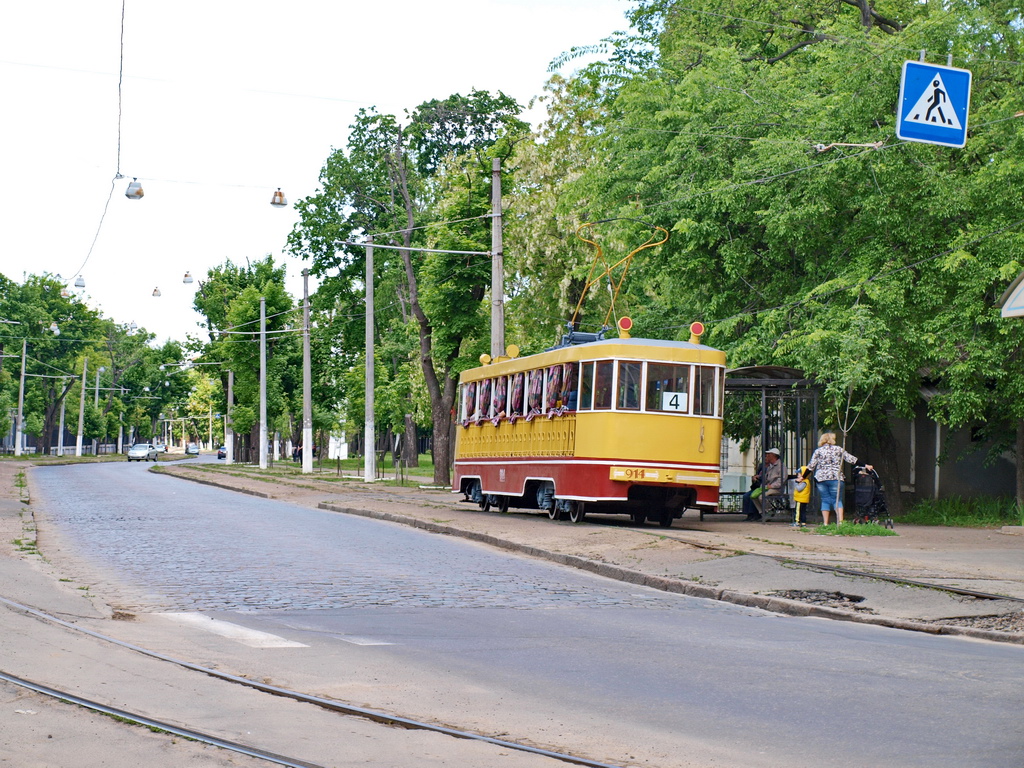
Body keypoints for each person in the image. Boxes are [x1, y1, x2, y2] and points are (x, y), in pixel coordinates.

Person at [805, 432, 870, 525]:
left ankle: (825, 523)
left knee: (825, 499)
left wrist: (802, 477)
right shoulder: (839, 449)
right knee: (837, 500)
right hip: (836, 478)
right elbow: (851, 459)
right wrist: (865, 465)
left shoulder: (818, 451)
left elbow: (811, 466)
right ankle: (840, 522)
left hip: (821, 479)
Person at [743, 448, 784, 521]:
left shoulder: (781, 466)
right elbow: (765, 478)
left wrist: (772, 486)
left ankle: (769, 510)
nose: (767, 456)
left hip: (776, 489)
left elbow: (781, 480)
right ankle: (762, 513)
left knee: (761, 496)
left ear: (773, 455)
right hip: (767, 487)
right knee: (753, 496)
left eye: (769, 454)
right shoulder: (770, 466)